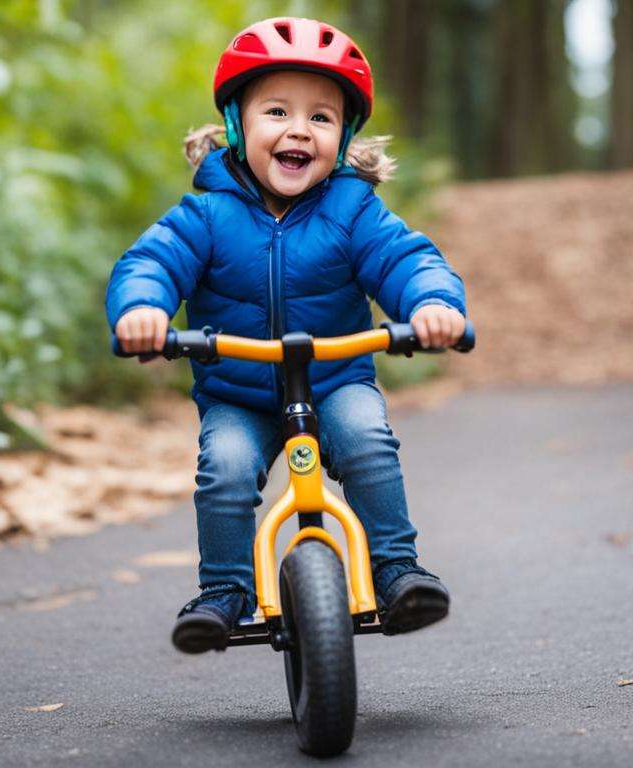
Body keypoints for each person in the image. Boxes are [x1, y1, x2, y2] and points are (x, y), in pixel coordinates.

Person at [105, 17, 467, 654]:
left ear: (345, 136)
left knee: (366, 439)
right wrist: (144, 311)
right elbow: (151, 263)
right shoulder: (207, 214)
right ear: (239, 125)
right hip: (237, 393)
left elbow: (406, 259)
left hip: (334, 379)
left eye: (322, 118)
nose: (299, 129)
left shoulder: (352, 209)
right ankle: (224, 591)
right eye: (277, 111)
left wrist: (435, 303)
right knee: (225, 469)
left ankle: (396, 569)